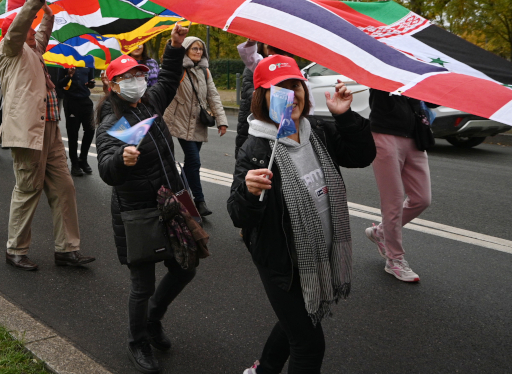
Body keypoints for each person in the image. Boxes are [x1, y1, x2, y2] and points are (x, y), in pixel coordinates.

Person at [228, 56, 376, 374]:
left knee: (300, 320)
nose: (291, 95)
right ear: (262, 98)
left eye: (295, 86)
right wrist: (250, 193)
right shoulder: (256, 149)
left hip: (320, 254)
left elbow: (362, 155)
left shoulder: (318, 131)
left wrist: (346, 116)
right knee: (309, 344)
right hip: (282, 262)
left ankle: (263, 369)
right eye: (280, 89)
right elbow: (239, 216)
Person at [96, 23, 198, 374]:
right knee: (142, 284)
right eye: (128, 77)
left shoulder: (149, 102)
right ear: (113, 85)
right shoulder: (112, 120)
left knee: (186, 266)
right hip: (137, 212)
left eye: (139, 75)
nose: (137, 81)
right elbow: (107, 170)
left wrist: (174, 45)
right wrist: (121, 161)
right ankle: (138, 341)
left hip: (171, 203)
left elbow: (168, 80)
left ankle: (154, 318)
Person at [0, 0, 94, 271]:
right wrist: (34, 1)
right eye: (26, 30)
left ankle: (67, 249)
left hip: (49, 130)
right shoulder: (9, 52)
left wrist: (48, 12)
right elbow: (18, 28)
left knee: (64, 188)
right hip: (27, 134)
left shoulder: (33, 51)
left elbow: (42, 32)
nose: (31, 34)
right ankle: (15, 250)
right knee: (28, 190)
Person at [363, 89, 433, 283]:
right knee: (392, 202)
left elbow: (432, 102)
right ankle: (394, 259)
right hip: (385, 134)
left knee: (422, 199)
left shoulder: (417, 70)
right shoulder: (383, 67)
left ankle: (381, 232)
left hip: (415, 136)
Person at [163, 36, 229, 217]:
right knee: (195, 161)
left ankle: (181, 197)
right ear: (185, 50)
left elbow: (213, 96)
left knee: (192, 164)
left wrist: (222, 121)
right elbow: (166, 78)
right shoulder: (178, 69)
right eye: (194, 48)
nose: (198, 52)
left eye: (201, 49)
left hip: (199, 123)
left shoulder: (205, 72)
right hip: (179, 121)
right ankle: (199, 201)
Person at [59, 65, 96, 177]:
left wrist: (91, 84)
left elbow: (91, 81)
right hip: (71, 101)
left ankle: (83, 159)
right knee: (73, 133)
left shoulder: (89, 61)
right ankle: (74, 164)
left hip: (86, 100)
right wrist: (69, 76)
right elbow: (60, 84)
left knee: (90, 129)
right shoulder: (64, 61)